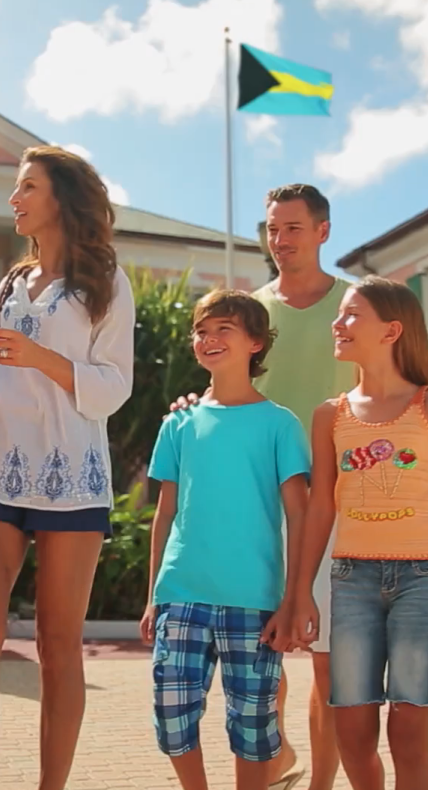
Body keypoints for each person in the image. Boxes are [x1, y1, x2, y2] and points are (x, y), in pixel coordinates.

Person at [0, 145, 135, 790]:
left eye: (27, 188)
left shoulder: (106, 281)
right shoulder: (10, 284)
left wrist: (38, 355)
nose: (14, 199)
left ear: (61, 197)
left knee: (57, 643)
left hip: (72, 478)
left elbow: (113, 388)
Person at [173, 184, 355, 790]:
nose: (280, 240)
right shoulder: (250, 309)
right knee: (264, 669)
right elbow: (223, 386)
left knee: (329, 669)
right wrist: (194, 404)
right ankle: (273, 767)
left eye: (294, 228)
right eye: (273, 228)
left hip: (334, 507)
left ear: (323, 231)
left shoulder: (356, 307)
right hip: (259, 510)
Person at [141, 289, 310, 790]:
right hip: (182, 594)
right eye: (201, 330)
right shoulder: (178, 422)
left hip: (254, 602)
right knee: (171, 715)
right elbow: (165, 512)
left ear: (255, 342)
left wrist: (293, 599)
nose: (208, 339)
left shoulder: (281, 424)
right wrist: (154, 595)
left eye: (224, 329)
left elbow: (299, 517)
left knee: (253, 726)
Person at [294, 276, 428, 790]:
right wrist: (301, 591)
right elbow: (320, 507)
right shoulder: (330, 415)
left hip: (421, 580)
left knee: (412, 731)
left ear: (392, 330)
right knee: (352, 731)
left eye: (352, 314)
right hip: (350, 581)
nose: (338, 322)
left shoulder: (424, 403)